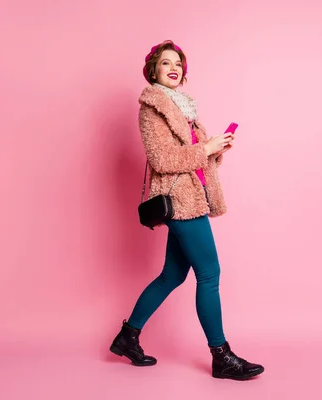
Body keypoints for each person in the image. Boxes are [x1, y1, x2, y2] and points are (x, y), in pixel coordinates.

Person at [109, 40, 264, 381]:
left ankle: (128, 336)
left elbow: (197, 160)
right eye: (165, 63)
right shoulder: (152, 108)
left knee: (172, 275)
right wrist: (204, 147)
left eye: (177, 63)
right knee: (209, 274)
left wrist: (215, 148)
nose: (173, 68)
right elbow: (161, 160)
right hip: (180, 201)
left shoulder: (184, 108)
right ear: (154, 70)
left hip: (194, 195)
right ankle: (221, 356)